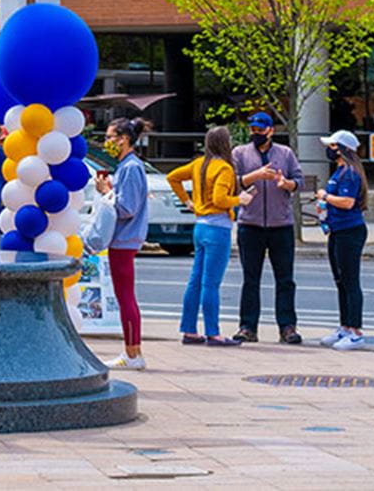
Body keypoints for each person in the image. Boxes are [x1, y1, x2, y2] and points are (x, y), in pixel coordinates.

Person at [167, 126, 253, 346]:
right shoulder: (224, 168)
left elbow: (172, 177)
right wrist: (240, 200)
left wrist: (188, 202)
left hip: (200, 226)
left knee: (195, 280)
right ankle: (213, 332)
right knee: (211, 283)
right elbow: (220, 199)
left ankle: (189, 329)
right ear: (225, 144)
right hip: (218, 228)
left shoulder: (199, 164)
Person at [231, 111, 305, 345]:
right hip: (250, 224)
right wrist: (257, 175)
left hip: (280, 224)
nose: (256, 134)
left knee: (285, 279)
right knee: (250, 278)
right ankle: (247, 327)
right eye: (253, 130)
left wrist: (287, 184)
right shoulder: (240, 153)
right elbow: (233, 181)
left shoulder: (285, 153)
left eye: (260, 130)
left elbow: (299, 181)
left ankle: (287, 327)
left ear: (271, 131)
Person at [94, 117, 150, 370]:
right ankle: (132, 351)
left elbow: (127, 207)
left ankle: (132, 352)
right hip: (126, 238)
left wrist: (106, 192)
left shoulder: (130, 167)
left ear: (123, 139)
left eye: (109, 137)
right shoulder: (130, 166)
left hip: (124, 238)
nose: (107, 143)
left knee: (125, 296)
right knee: (125, 295)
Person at [315, 130, 368, 351]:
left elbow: (347, 202)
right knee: (340, 281)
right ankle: (345, 326)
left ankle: (355, 331)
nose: (329, 149)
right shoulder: (340, 172)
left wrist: (325, 197)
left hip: (349, 231)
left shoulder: (350, 174)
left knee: (350, 281)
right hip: (337, 230)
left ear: (343, 149)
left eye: (333, 146)